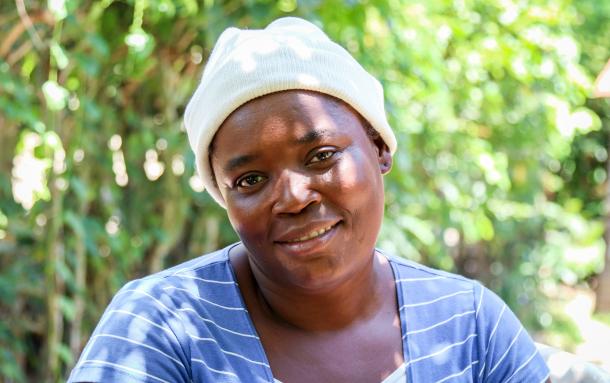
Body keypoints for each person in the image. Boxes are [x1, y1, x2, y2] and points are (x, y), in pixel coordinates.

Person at [68, 17, 551, 383]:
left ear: (379, 148)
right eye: (251, 179)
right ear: (224, 198)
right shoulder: (163, 327)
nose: (294, 197)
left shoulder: (470, 327)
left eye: (320, 156)